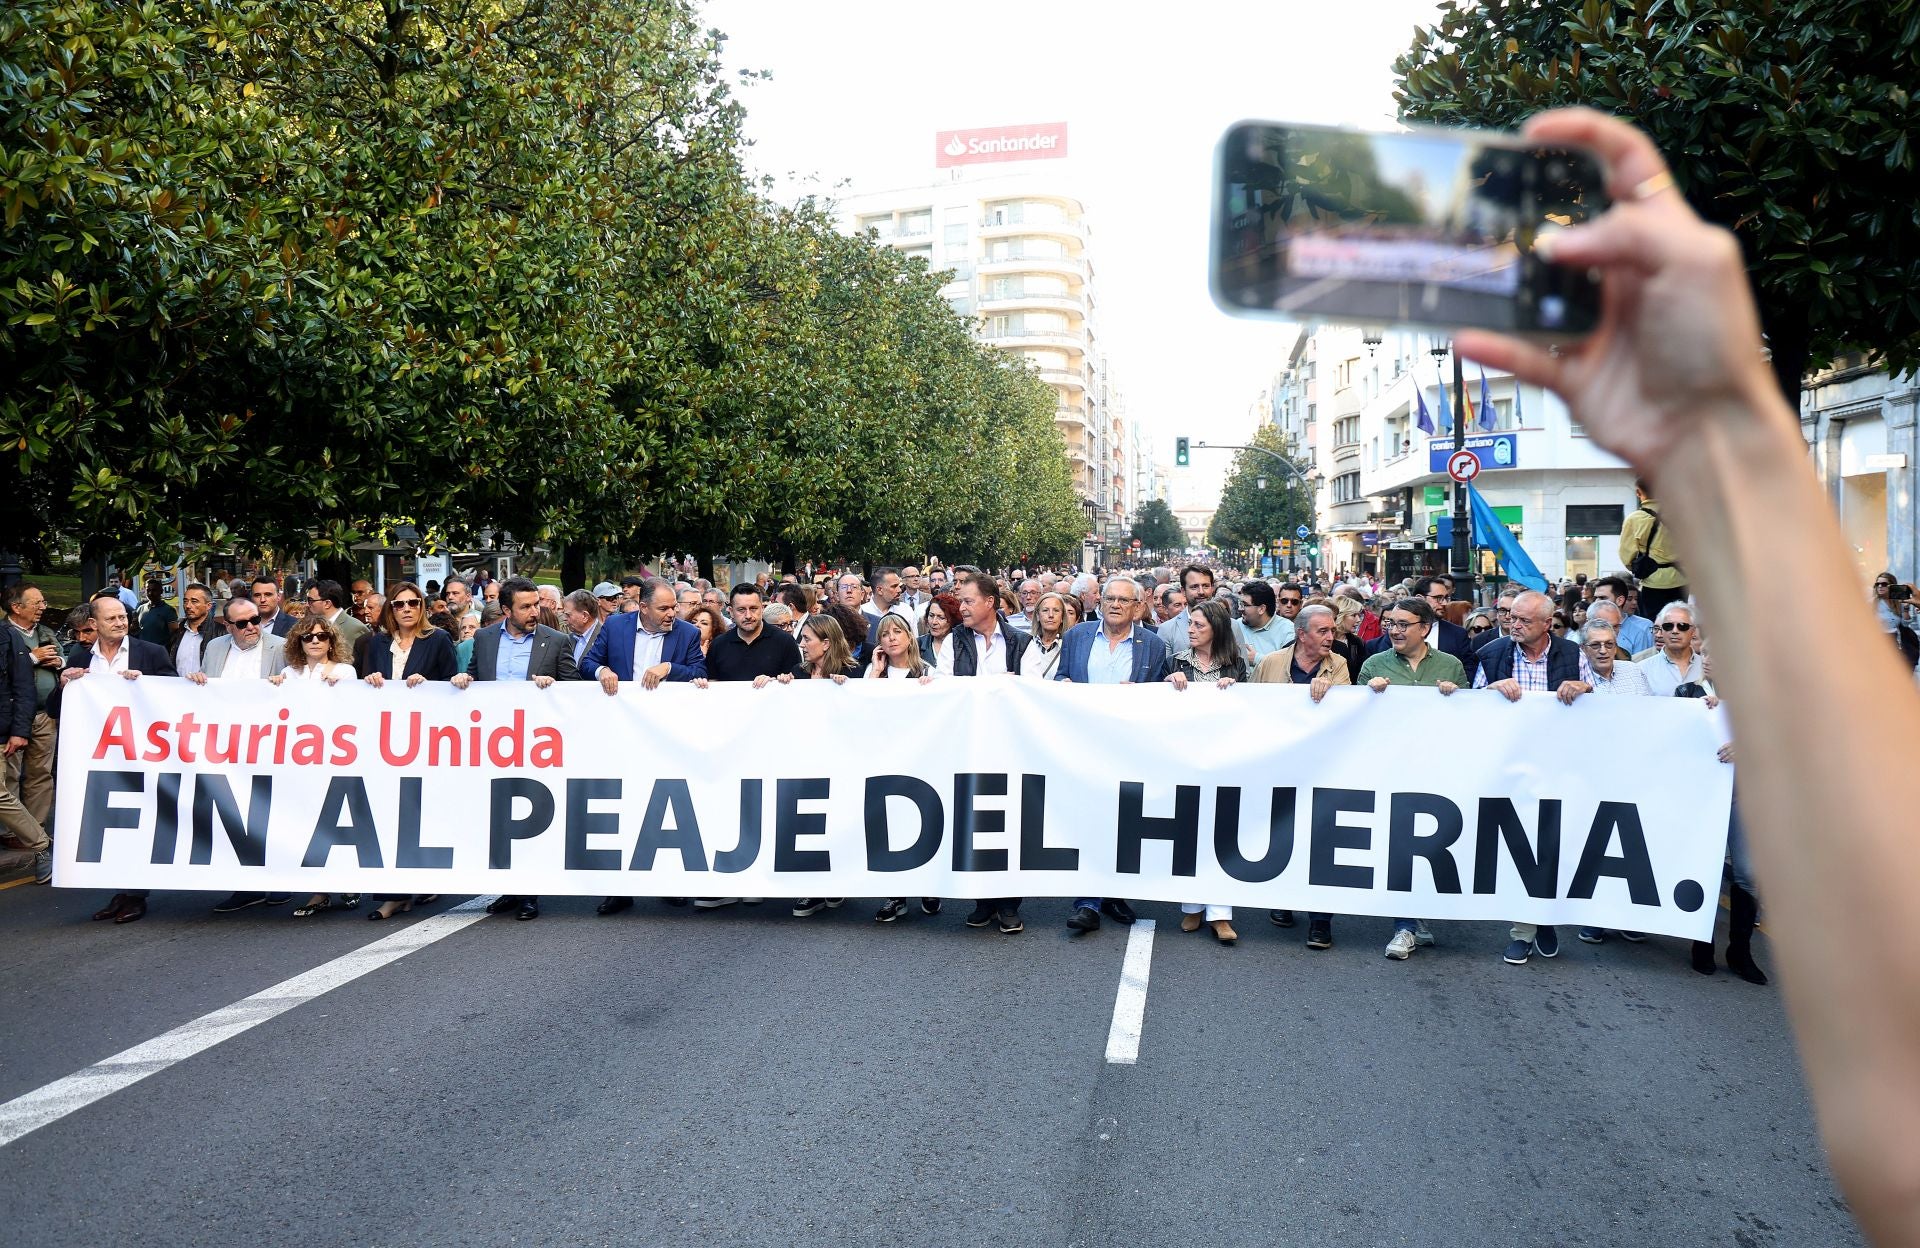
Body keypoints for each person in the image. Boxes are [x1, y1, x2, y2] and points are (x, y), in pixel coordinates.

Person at [453, 577, 577, 922]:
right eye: (525, 606)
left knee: (528, 815)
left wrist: (552, 687)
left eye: (536, 604)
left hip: (537, 745)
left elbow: (576, 690)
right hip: (492, 743)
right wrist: (465, 680)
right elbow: (476, 676)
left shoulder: (556, 641)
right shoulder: (485, 637)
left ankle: (529, 894)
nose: (534, 611)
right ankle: (509, 888)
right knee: (498, 816)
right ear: (506, 609)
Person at [1053, 577, 1170, 934]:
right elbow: (1060, 676)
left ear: (1137, 607)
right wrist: (1063, 686)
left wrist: (1147, 692)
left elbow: (1160, 692)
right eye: (1109, 599)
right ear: (1099, 602)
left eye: (1124, 600)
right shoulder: (1077, 636)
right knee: (1089, 818)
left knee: (1123, 820)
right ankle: (1087, 903)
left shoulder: (1152, 644)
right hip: (1083, 744)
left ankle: (1116, 893)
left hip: (1128, 748)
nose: (1116, 605)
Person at [1357, 597, 1465, 960]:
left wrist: (1456, 697)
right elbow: (1352, 720)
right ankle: (1403, 926)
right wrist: (1368, 695)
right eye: (1391, 623)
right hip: (1391, 770)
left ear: (1425, 628)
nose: (1395, 630)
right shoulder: (1375, 663)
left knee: (1428, 845)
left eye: (1404, 623)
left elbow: (1471, 719)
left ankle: (1415, 919)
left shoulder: (1450, 665)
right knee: (1399, 843)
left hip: (1437, 770)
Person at [63, 597, 177, 924]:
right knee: (112, 826)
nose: (119, 622)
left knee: (140, 822)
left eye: (123, 616)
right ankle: (121, 891)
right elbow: (60, 708)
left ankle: (136, 895)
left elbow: (176, 700)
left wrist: (146, 687)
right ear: (94, 624)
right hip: (99, 757)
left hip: (142, 755)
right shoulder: (82, 657)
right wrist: (64, 684)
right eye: (111, 618)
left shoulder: (150, 653)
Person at [1252, 604, 1350, 942]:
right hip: (1279, 767)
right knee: (1283, 833)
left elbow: (1345, 717)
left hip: (1321, 770)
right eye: (1322, 631)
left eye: (1332, 631)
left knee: (1322, 840)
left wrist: (1333, 695)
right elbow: (1250, 709)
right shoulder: (1271, 663)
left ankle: (1321, 919)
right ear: (1301, 634)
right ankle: (1284, 899)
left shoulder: (1338, 665)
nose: (1330, 637)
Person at [268, 612, 362, 915]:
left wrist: (339, 688)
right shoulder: (289, 674)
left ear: (331, 640)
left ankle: (347, 882)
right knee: (308, 821)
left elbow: (353, 711)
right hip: (300, 758)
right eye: (308, 636)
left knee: (337, 820)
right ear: (299, 641)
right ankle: (320, 889)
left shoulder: (345, 672)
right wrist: (273, 688)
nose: (315, 641)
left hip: (334, 755)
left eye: (322, 636)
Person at [1166, 598, 1247, 945]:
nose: (1191, 630)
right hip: (1185, 758)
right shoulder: (1176, 662)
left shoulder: (1236, 666)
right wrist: (1170, 682)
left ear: (1217, 628)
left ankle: (1221, 914)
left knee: (1223, 833)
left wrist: (1236, 691)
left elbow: (1250, 709)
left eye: (1199, 625)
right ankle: (1192, 906)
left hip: (1225, 758)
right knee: (1188, 832)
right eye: (1190, 625)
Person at [4, 584, 62, 839]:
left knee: (40, 772)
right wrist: (32, 658)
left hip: (44, 715)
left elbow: (64, 659)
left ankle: (35, 828)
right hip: (12, 715)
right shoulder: (4, 634)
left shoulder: (46, 632)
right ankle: (11, 831)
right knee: (10, 774)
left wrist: (59, 662)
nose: (43, 607)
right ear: (17, 607)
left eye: (43, 602)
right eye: (36, 603)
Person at [702, 583, 799, 684]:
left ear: (762, 609)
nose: (748, 615)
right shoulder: (718, 645)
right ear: (731, 611)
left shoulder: (785, 642)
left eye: (753, 608)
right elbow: (712, 683)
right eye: (741, 609)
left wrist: (775, 683)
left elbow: (797, 684)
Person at [1619, 480, 1688, 619]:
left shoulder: (1634, 518)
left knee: (1654, 624)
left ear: (1638, 492)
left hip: (1652, 580)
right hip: (1682, 579)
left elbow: (1626, 554)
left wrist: (1638, 567)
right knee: (1680, 622)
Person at [949, 574, 1029, 678]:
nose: (961, 608)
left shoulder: (1022, 643)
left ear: (989, 602)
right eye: (961, 602)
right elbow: (945, 687)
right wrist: (997, 682)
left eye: (968, 601)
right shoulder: (952, 641)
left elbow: (1030, 689)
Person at [1639, 601, 1706, 696]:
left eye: (1682, 626)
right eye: (1668, 626)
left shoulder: (1708, 667)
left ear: (1693, 631)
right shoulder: (1642, 669)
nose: (1674, 631)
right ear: (1661, 630)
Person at [1233, 580, 1295, 665]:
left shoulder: (1287, 630)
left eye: (1245, 605)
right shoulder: (1235, 626)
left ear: (1261, 609)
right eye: (1240, 604)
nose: (1240, 609)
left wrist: (1257, 659)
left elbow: (1290, 665)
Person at [1590, 576, 1655, 655]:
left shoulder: (1640, 630)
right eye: (1595, 598)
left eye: (1602, 598)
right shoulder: (1589, 627)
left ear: (1620, 600)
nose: (1597, 602)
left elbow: (1639, 664)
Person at [1019, 591, 1072, 679]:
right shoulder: (1025, 644)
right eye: (1045, 610)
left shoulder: (1070, 646)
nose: (1051, 615)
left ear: (1062, 617)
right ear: (1038, 616)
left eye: (1056, 610)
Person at [918, 592, 962, 673]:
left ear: (952, 620)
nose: (934, 622)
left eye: (941, 617)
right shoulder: (917, 644)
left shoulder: (962, 645)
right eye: (931, 616)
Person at [137, 578, 177, 646]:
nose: (150, 593)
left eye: (154, 590)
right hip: (142, 652)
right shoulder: (141, 609)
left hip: (159, 653)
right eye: (148, 590)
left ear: (161, 591)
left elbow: (175, 633)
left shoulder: (168, 610)